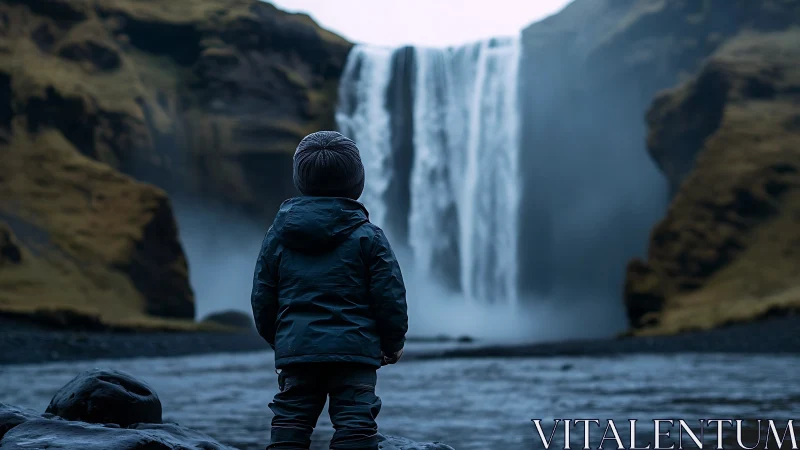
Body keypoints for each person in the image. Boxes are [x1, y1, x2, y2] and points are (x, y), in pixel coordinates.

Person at [251, 131, 408, 450]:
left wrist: (280, 339)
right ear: (358, 182)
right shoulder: (369, 237)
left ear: (299, 180)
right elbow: (390, 297)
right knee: (356, 422)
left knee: (291, 419)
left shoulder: (277, 236)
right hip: (355, 351)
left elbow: (263, 297)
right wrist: (393, 343)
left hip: (297, 348)